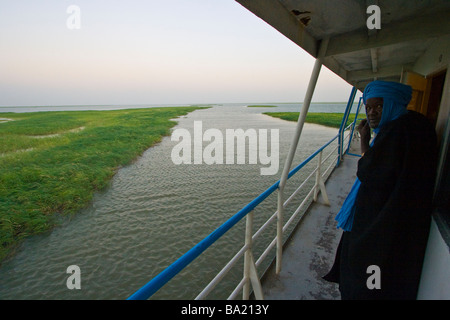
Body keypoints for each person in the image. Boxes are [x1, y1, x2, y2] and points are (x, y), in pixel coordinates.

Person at [323, 80, 438, 300]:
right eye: (368, 107)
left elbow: (370, 173)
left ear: (393, 103)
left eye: (378, 106)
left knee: (368, 275)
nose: (372, 113)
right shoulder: (414, 126)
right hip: (400, 219)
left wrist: (364, 142)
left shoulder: (396, 132)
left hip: (383, 225)